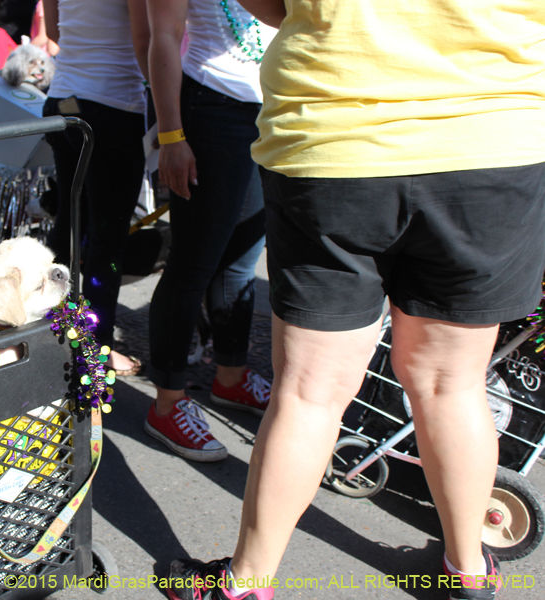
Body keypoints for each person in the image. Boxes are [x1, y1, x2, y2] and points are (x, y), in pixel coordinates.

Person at [167, 1, 545, 599]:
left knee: (310, 390)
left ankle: (244, 586)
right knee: (453, 382)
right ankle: (469, 569)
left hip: (337, 138)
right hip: (490, 144)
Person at [143, 0, 274, 462]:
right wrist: (172, 136)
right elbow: (161, 36)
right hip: (209, 108)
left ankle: (231, 379)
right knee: (193, 264)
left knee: (239, 260)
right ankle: (167, 403)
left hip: (268, 111)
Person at [41, 0, 150, 377]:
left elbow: (55, 31)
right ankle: (95, 349)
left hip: (63, 100)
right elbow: (144, 38)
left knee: (69, 228)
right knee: (107, 243)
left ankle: (37, 328)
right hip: (111, 105)